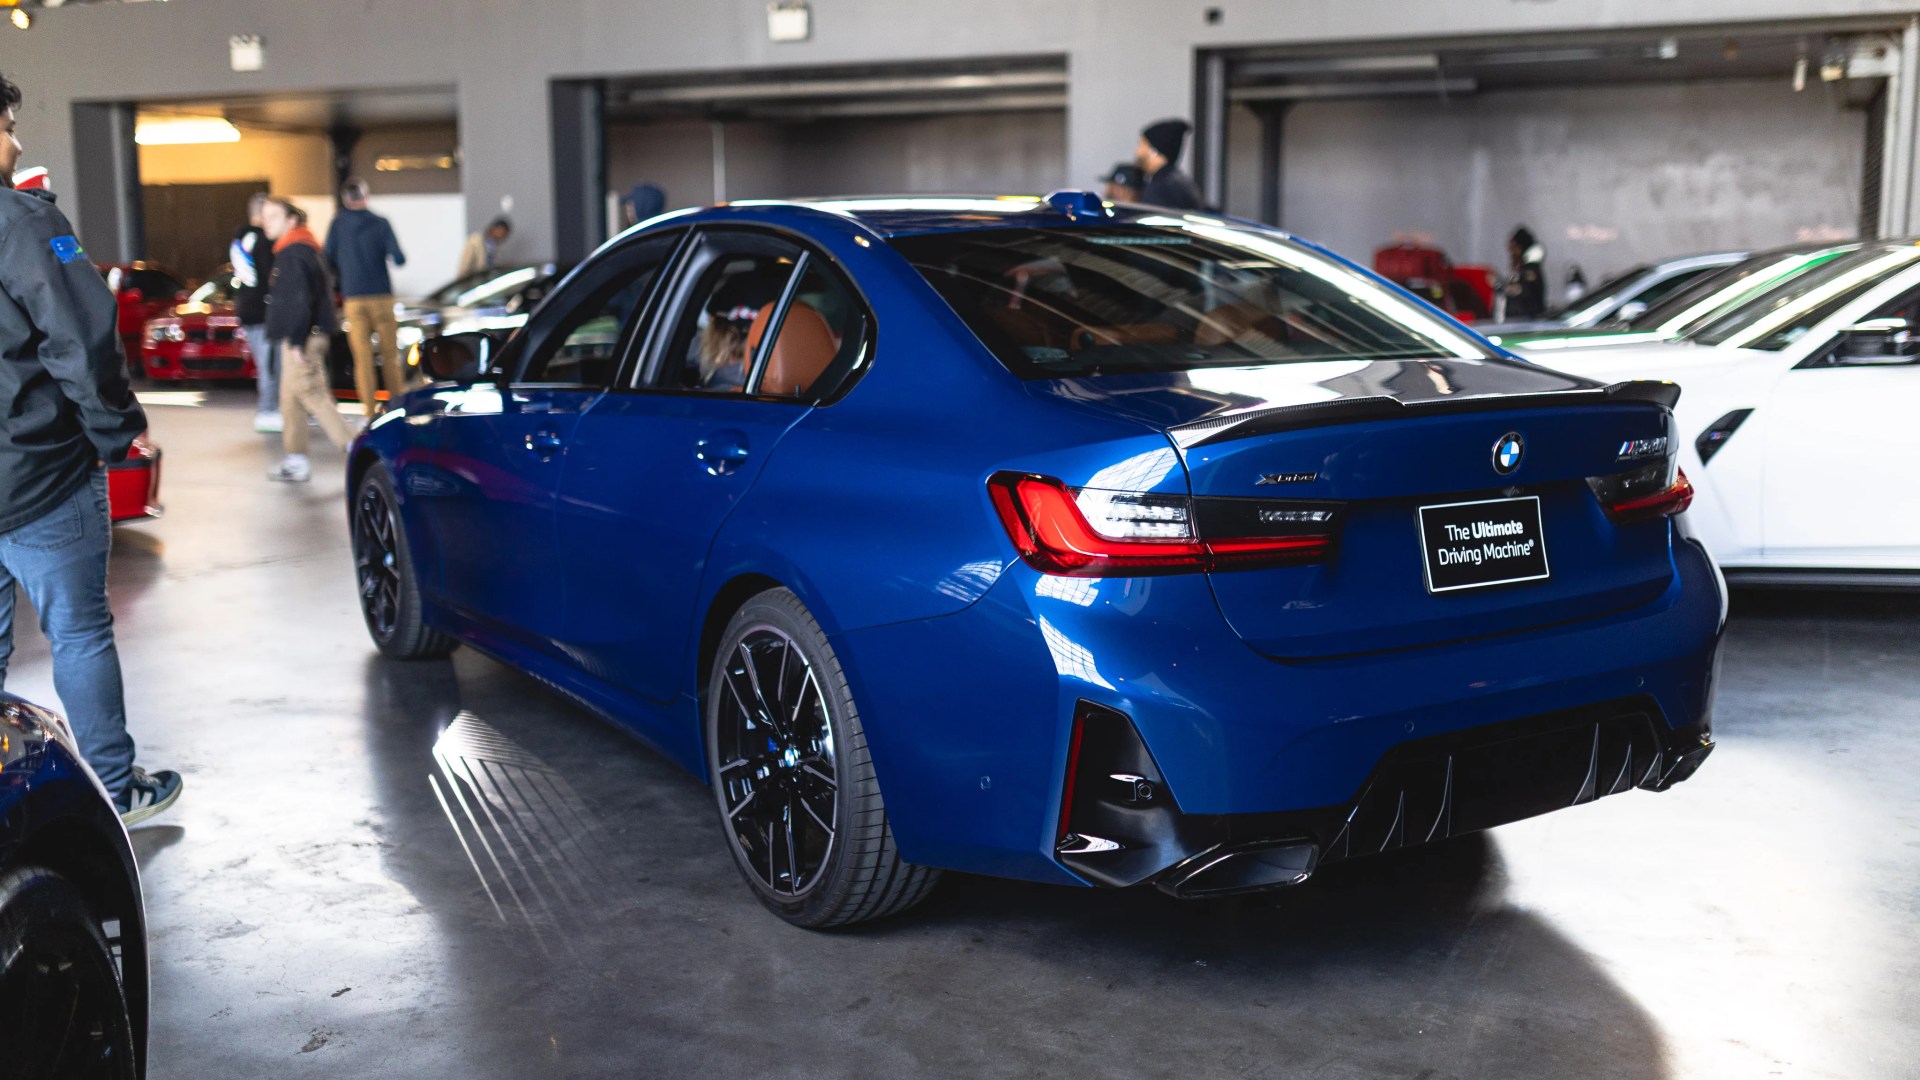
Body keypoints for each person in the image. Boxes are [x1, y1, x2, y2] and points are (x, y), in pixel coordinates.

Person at [0, 70, 182, 824]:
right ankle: (113, 789)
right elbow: (80, 335)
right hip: (37, 477)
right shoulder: (21, 221)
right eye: (7, 126)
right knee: (78, 630)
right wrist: (117, 430)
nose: (14, 142)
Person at [263, 197, 354, 483]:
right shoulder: (303, 248)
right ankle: (296, 459)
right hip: (306, 335)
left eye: (273, 216)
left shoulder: (294, 252)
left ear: (292, 220)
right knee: (290, 398)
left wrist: (296, 340)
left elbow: (299, 299)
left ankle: (354, 446)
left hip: (303, 337)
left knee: (311, 393)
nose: (267, 221)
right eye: (265, 216)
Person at [324, 178, 407, 415]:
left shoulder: (338, 225)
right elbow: (399, 258)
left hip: (354, 298)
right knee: (390, 355)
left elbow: (327, 258)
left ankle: (369, 411)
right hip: (381, 296)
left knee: (362, 358)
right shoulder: (381, 224)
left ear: (346, 200)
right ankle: (397, 407)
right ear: (366, 196)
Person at [231, 192, 280, 433]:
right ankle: (268, 409)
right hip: (262, 309)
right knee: (269, 363)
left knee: (265, 361)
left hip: (246, 308)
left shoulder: (239, 239)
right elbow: (270, 276)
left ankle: (270, 408)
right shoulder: (263, 240)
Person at [1135, 118, 1202, 211]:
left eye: (1141, 145)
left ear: (1154, 151)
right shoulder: (1175, 182)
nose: (1137, 152)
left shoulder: (1161, 188)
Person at [1505, 226, 1547, 320]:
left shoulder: (1529, 271)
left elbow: (1526, 296)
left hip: (1525, 321)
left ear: (1520, 249)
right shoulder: (1523, 271)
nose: (1511, 255)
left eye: (1513, 249)